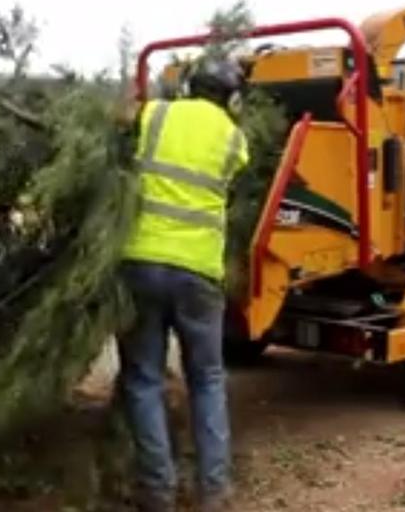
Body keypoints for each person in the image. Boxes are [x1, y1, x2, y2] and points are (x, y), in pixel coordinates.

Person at [118, 56, 250, 512]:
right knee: (208, 380)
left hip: (140, 262)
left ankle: (157, 491)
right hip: (198, 273)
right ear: (231, 98)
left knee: (142, 378)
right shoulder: (236, 140)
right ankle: (213, 492)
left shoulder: (155, 114)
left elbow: (124, 127)